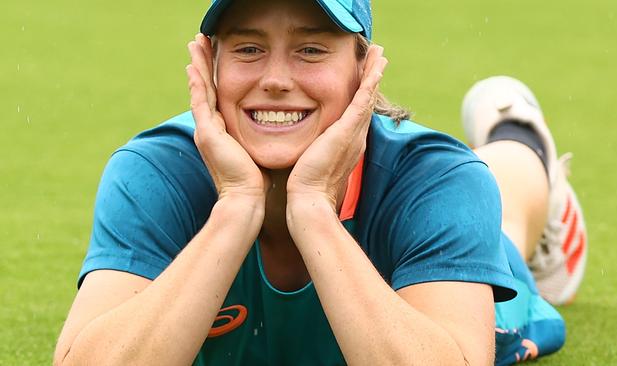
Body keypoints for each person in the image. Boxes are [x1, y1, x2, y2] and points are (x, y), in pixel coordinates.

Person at [53, 0, 587, 365]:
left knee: (507, 219)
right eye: (247, 48)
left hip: (448, 255)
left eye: (311, 49)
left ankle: (516, 132)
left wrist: (310, 208)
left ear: (365, 69)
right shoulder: (154, 172)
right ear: (208, 63)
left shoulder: (438, 180)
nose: (277, 79)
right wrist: (238, 206)